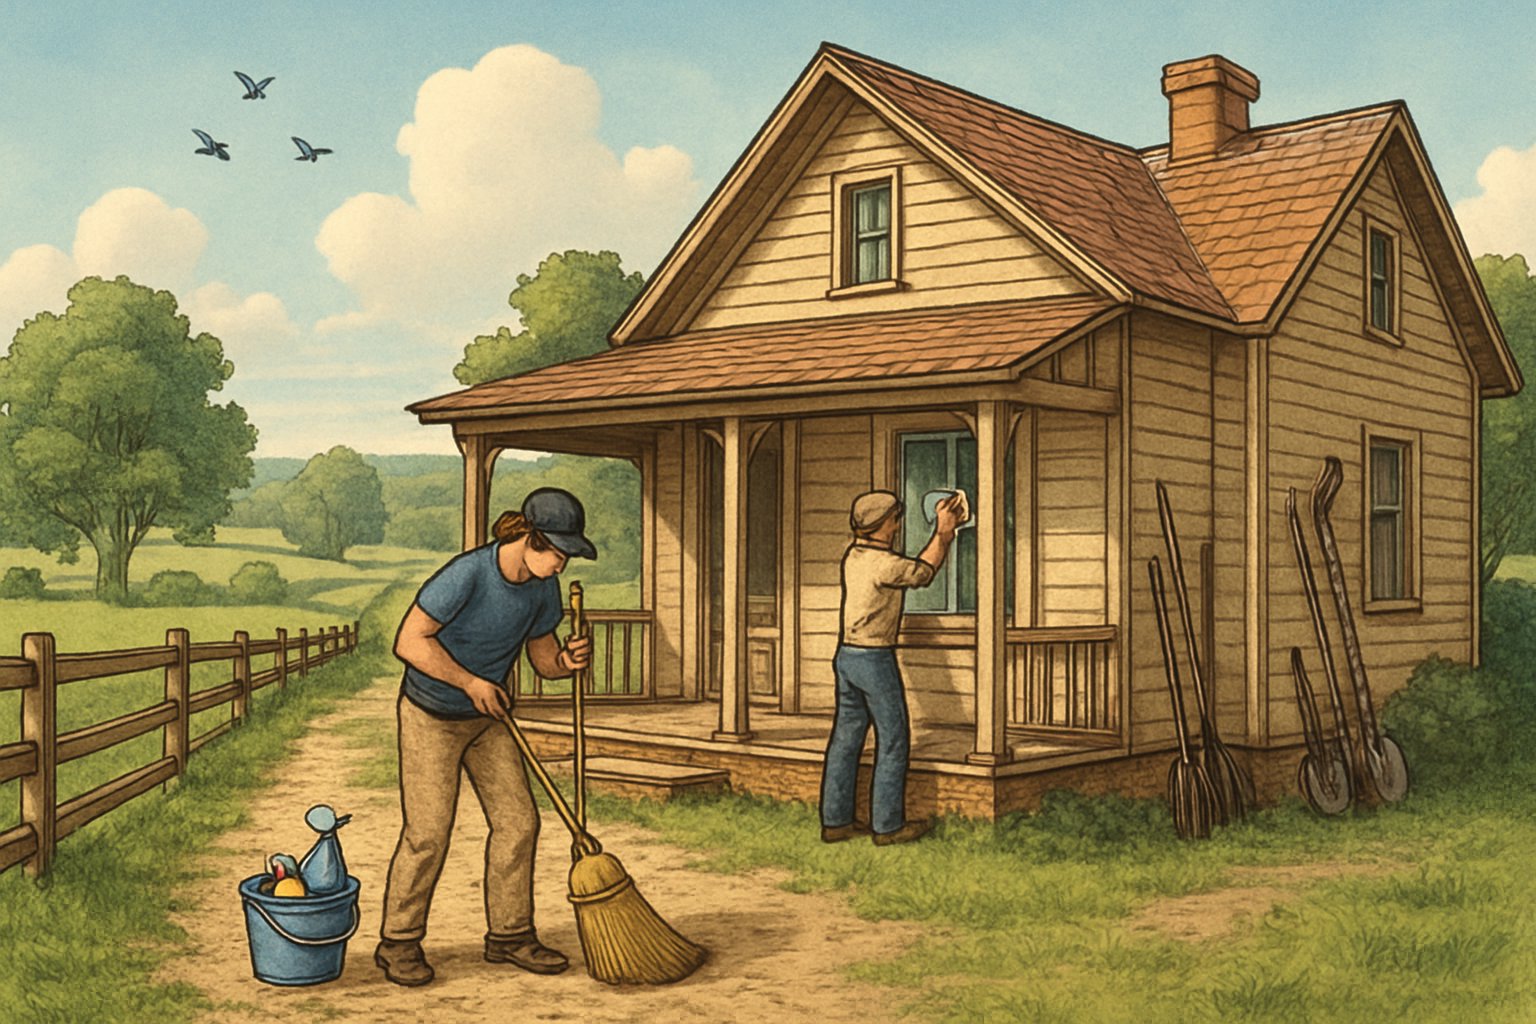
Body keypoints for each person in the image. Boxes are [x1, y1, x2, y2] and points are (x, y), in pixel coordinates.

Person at [374, 487, 596, 987]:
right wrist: (470, 682)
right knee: (428, 832)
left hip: (489, 719)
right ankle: (399, 942)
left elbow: (543, 660)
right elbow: (408, 641)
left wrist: (566, 662)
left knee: (519, 823)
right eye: (559, 553)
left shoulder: (542, 588)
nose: (562, 565)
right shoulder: (468, 574)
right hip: (431, 714)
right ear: (533, 540)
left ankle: (510, 936)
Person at [820, 488, 967, 846]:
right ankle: (887, 826)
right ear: (885, 524)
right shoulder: (882, 563)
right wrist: (944, 532)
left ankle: (835, 821)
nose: (898, 526)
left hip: (847, 657)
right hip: (873, 659)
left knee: (845, 738)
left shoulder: (854, 556)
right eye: (895, 520)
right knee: (894, 738)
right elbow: (921, 573)